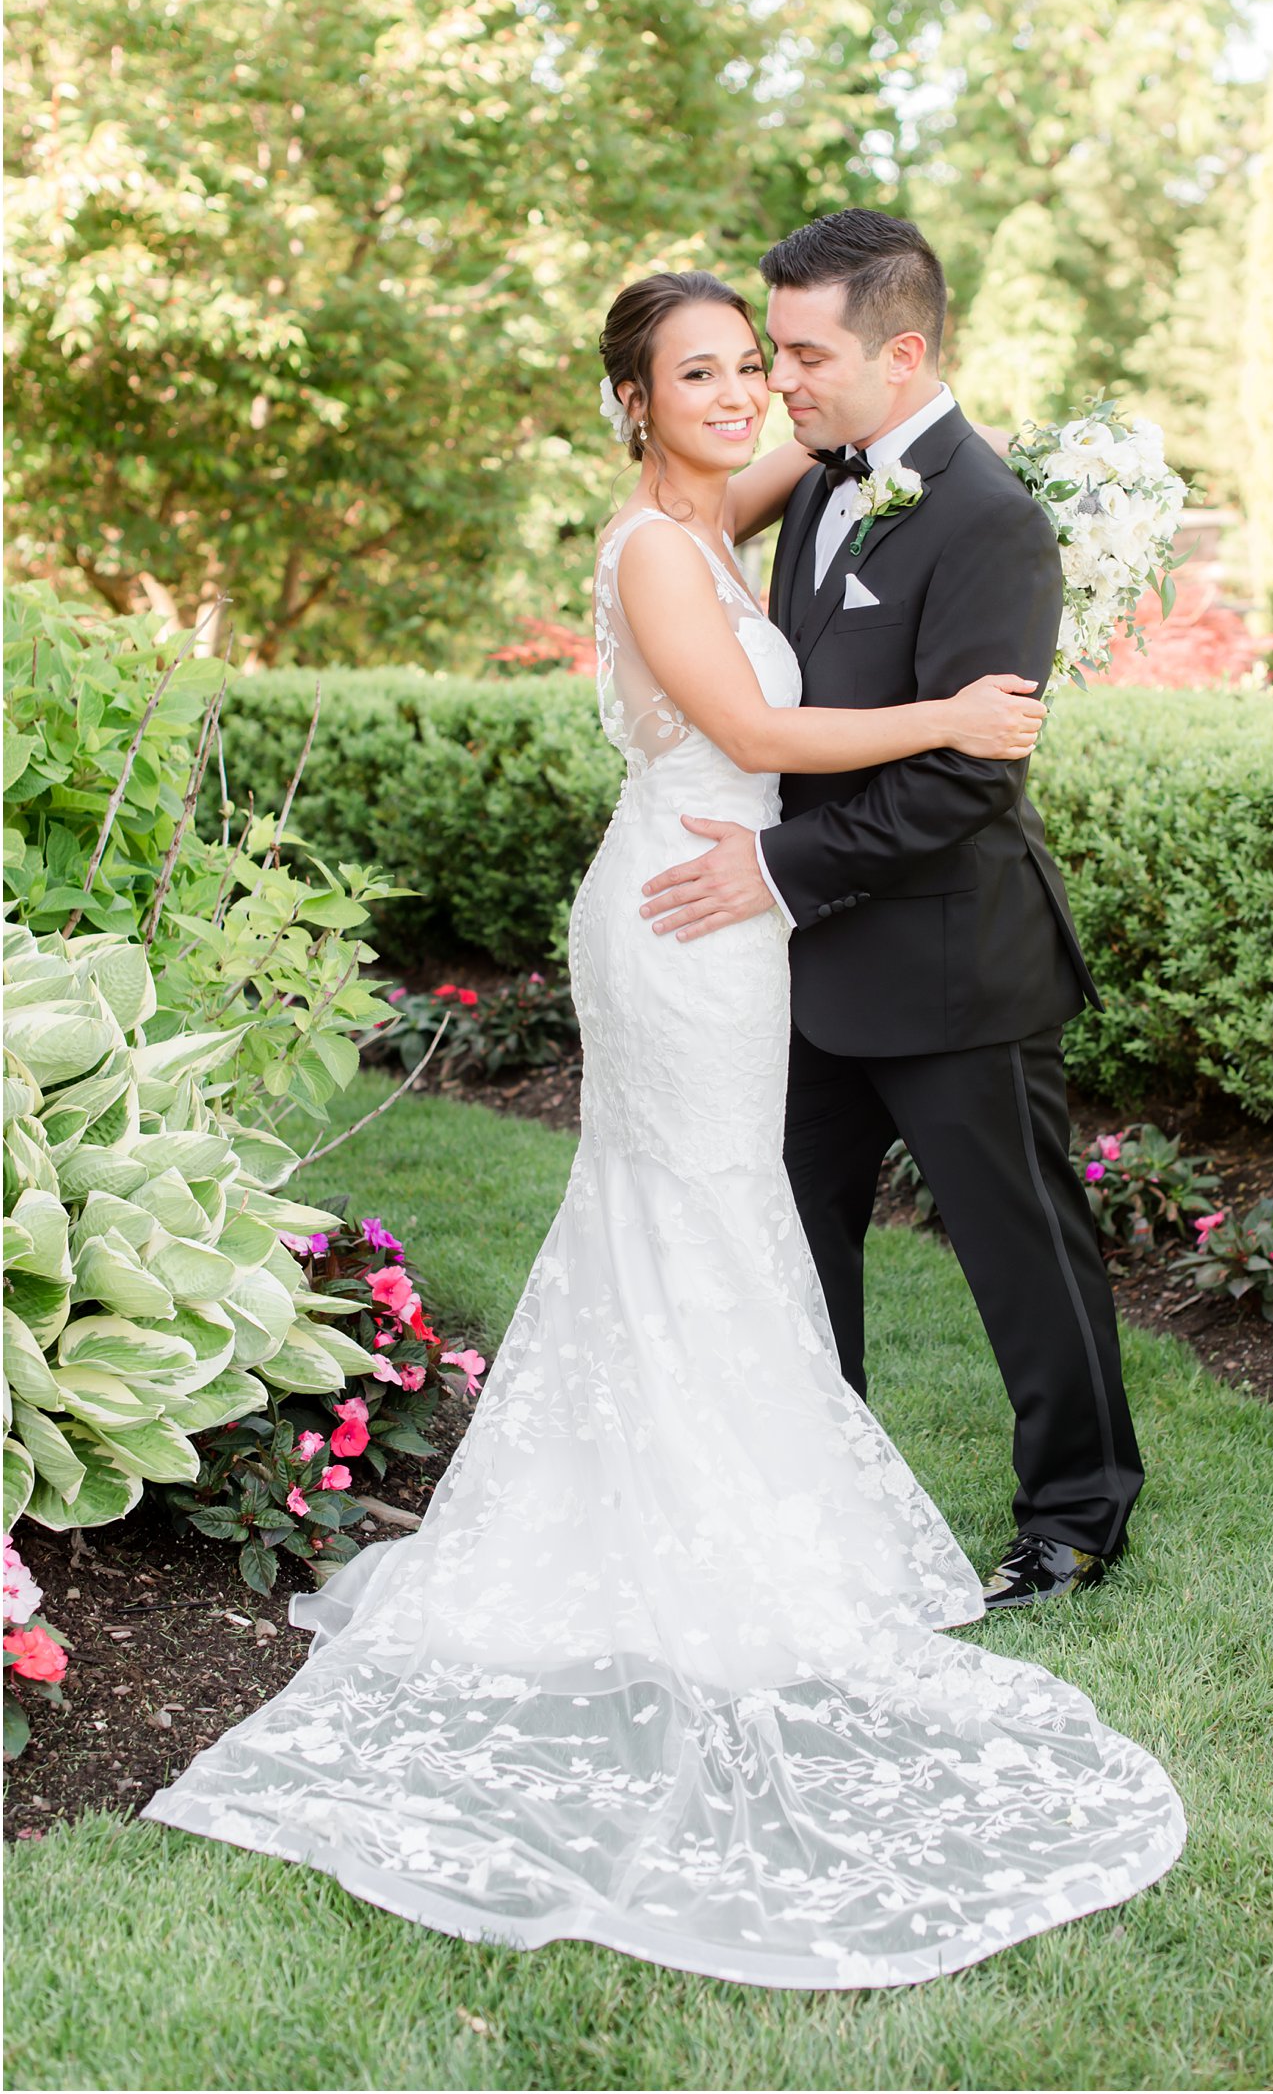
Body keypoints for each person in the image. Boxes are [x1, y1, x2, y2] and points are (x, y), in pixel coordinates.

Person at [143, 260, 1185, 1990]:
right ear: (634, 401)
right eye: (708, 369)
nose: (750, 391)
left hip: (797, 929)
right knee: (715, 1211)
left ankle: (990, 1504)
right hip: (705, 914)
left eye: (771, 362)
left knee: (760, 1223)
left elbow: (854, 457)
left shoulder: (781, 487)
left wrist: (952, 455)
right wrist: (948, 709)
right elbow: (760, 724)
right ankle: (747, 1512)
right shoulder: (652, 542)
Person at [639, 210, 1145, 1609]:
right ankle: (821, 1491)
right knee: (794, 1243)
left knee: (1021, 1253)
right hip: (803, 974)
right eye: (766, 352)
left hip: (951, 964)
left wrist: (775, 874)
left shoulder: (990, 521)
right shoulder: (817, 477)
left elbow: (964, 781)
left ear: (902, 349)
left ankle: (1081, 1511)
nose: (778, 381)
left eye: (802, 353)